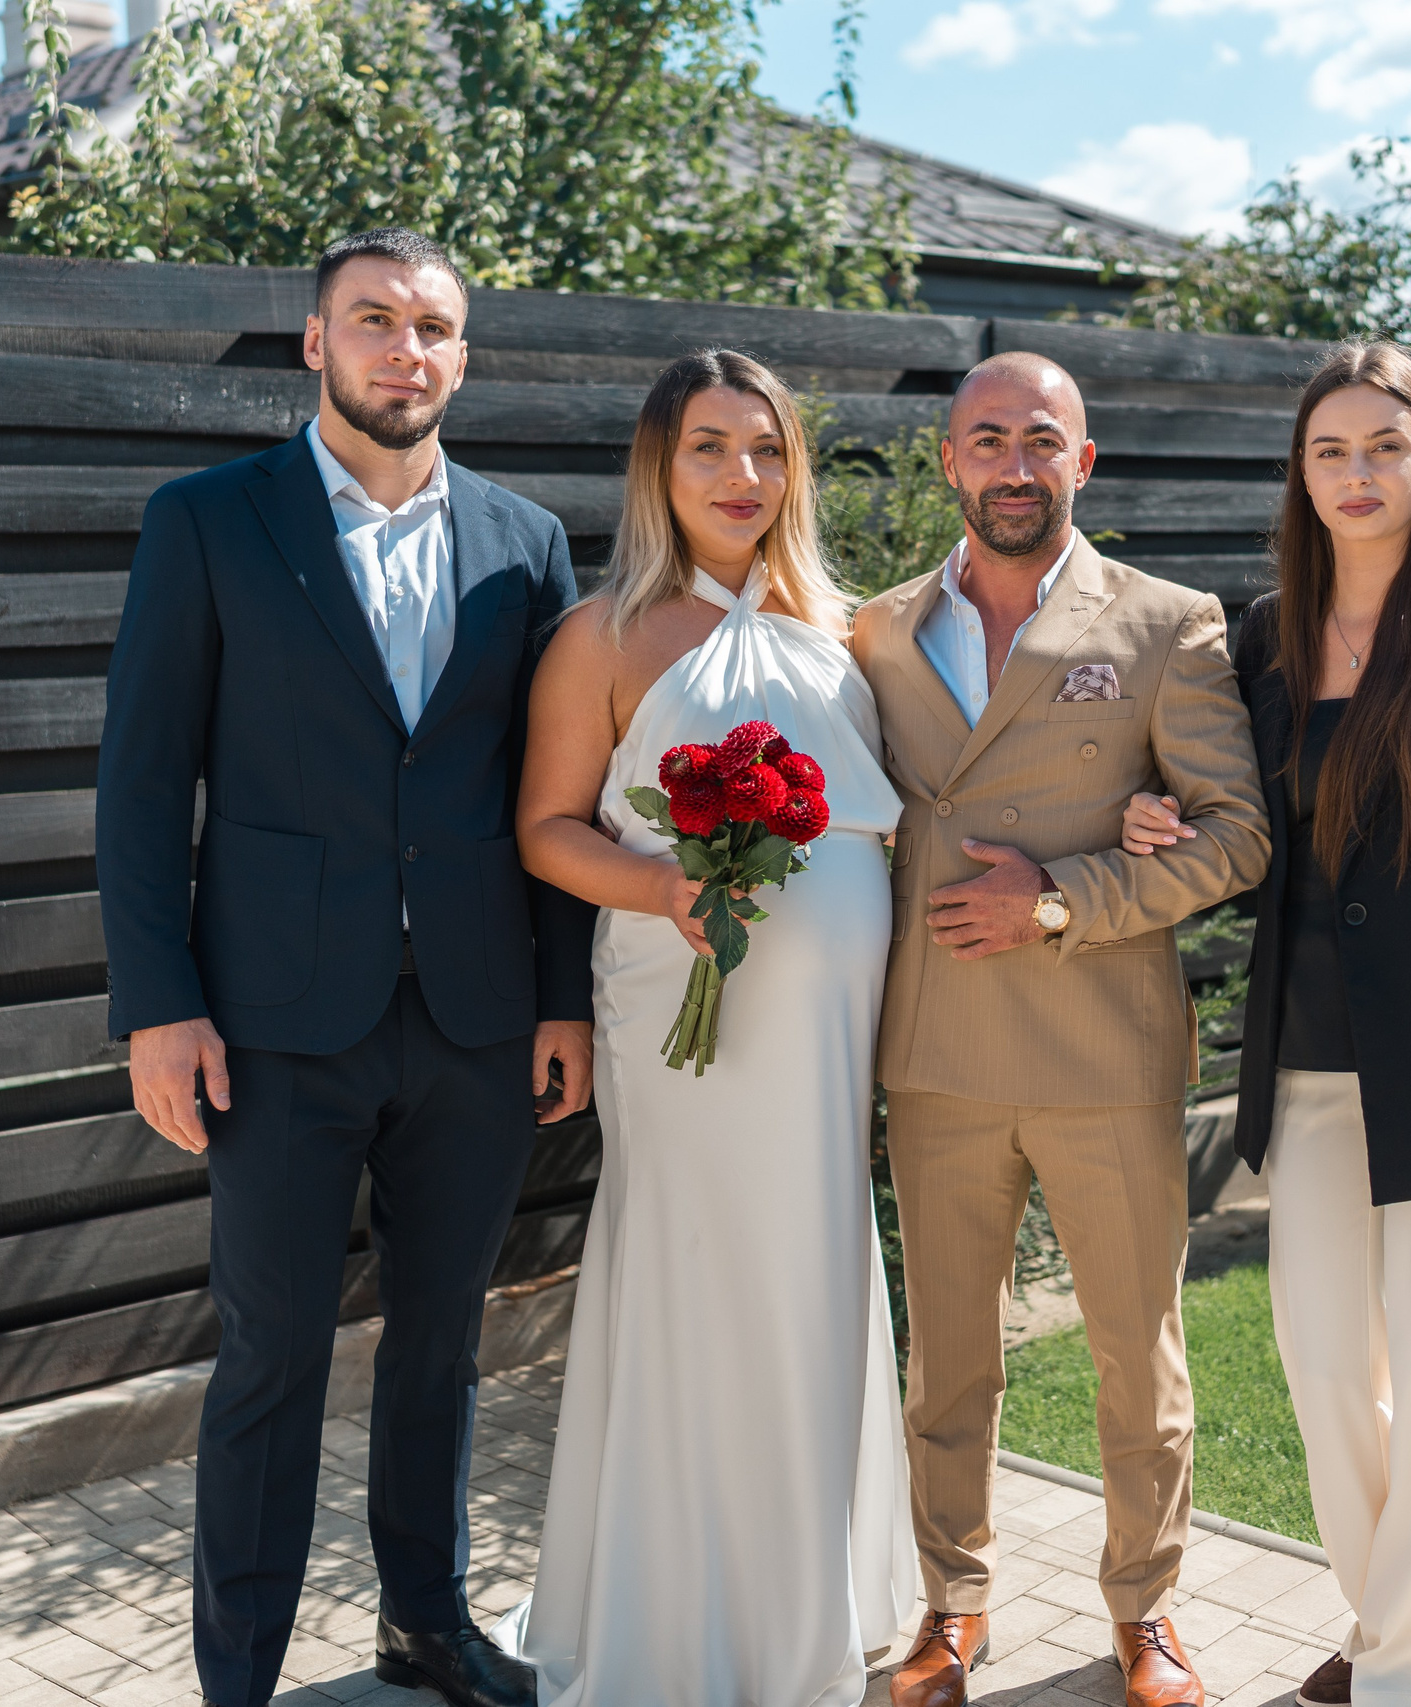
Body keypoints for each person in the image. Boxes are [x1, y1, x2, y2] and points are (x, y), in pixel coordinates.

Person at [97, 228, 591, 1707]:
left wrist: (560, 992)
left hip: (475, 1023)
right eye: (372, 321)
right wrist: (158, 1003)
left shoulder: (527, 543)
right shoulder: (208, 522)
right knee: (271, 1363)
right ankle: (236, 1674)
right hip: (269, 1025)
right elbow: (140, 780)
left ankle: (423, 1620)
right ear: (315, 344)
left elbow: (549, 795)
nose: (405, 350)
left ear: (462, 356)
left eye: (433, 327)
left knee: (441, 1345)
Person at [1131, 341, 1411, 1706]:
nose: (1358, 474)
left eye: (1385, 446)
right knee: (1327, 1369)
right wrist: (1161, 819)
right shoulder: (1263, 631)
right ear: (1301, 473)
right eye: (1331, 450)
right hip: (1307, 1066)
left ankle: (1409, 1676)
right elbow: (1249, 829)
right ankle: (1387, 1616)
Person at [850, 353, 1271, 1707]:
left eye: (1043, 440)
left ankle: (1146, 1616)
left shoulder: (1166, 623)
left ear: (1083, 465)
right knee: (948, 1359)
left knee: (1134, 1354)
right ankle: (952, 1606)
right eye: (988, 439)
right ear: (949, 462)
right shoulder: (876, 630)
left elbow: (1237, 838)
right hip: (939, 1049)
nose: (1015, 463)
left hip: (1100, 1041)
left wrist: (1063, 896)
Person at [502, 349, 919, 1707]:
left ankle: (816, 1595)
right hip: (679, 1013)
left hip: (830, 1029)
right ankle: (677, 1615)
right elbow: (547, 828)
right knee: (695, 1270)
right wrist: (663, 884)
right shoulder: (605, 633)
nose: (742, 477)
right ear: (657, 469)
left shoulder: (851, 629)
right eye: (708, 450)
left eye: (765, 449)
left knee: (813, 1272)